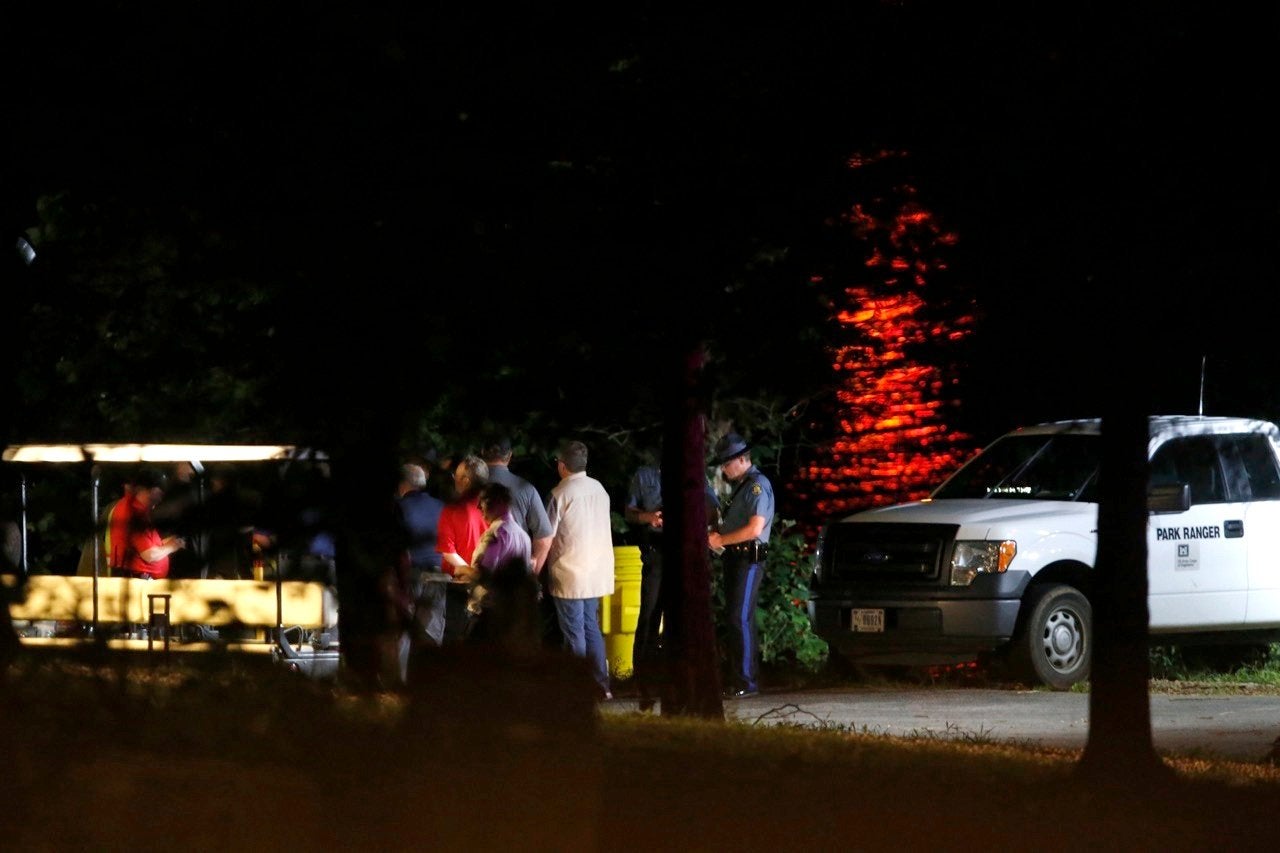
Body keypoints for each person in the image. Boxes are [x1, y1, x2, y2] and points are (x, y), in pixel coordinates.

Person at [624, 445, 720, 712]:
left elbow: (712, 507)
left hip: (683, 551)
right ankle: (644, 682)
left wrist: (691, 512)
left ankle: (682, 677)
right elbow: (629, 511)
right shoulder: (644, 476)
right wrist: (647, 516)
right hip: (655, 552)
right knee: (649, 616)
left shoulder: (694, 475)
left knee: (684, 614)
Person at [544, 439, 615, 700]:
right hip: (596, 571)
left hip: (570, 571)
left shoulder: (559, 493)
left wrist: (535, 567)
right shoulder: (600, 489)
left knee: (574, 633)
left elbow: (546, 535)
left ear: (562, 465)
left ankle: (580, 686)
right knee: (591, 628)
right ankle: (601, 684)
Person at [707, 432, 774, 699]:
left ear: (742, 459)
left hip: (748, 559)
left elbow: (755, 527)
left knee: (739, 618)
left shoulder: (757, 485)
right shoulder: (742, 486)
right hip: (735, 558)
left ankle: (746, 681)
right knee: (738, 619)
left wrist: (720, 538)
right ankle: (741, 678)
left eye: (726, 463)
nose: (724, 468)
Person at [453, 481, 537, 650]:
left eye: (482, 501)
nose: (478, 507)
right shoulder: (522, 535)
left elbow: (485, 574)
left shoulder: (496, 533)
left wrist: (462, 570)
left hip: (489, 611)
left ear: (498, 502)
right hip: (513, 612)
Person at [395, 461, 447, 680]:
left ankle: (400, 679)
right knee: (433, 629)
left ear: (403, 484)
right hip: (438, 573)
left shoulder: (398, 508)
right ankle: (433, 679)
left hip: (411, 574)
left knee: (404, 631)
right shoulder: (441, 506)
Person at [479, 435, 554, 575]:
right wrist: (533, 573)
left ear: (482, 454)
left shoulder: (469, 486)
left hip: (475, 571)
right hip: (515, 574)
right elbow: (544, 539)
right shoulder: (526, 489)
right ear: (509, 456)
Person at [436, 453, 489, 643]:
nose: (454, 481)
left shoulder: (452, 509)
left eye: (456, 477)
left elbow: (448, 552)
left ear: (465, 481)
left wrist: (470, 573)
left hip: (459, 585)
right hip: (490, 584)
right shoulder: (495, 507)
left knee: (455, 638)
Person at [112, 466, 186, 580]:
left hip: (138, 579)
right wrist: (173, 546)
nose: (161, 499)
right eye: (160, 494)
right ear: (152, 491)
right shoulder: (134, 513)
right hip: (138, 581)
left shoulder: (134, 508)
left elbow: (144, 545)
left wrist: (170, 542)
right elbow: (150, 555)